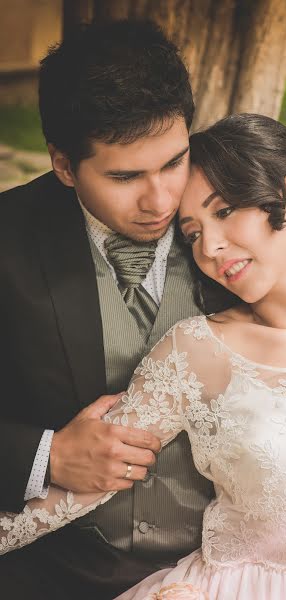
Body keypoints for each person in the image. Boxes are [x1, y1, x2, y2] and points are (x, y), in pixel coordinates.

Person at [1, 113, 286, 600]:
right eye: (191, 233)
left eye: (225, 211)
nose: (209, 247)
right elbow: (75, 493)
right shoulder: (196, 350)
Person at [0, 19, 214, 600]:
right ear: (64, 165)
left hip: (219, 565)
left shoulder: (238, 225)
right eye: (126, 176)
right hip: (51, 573)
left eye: (174, 162)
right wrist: (46, 455)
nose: (161, 199)